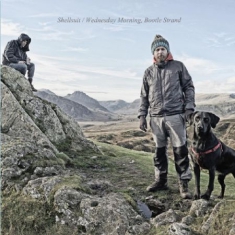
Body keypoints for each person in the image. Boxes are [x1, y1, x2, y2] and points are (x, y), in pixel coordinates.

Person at [138, 35, 195, 199]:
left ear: (167, 50)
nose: (160, 52)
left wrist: (189, 108)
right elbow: (144, 96)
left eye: (163, 49)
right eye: (157, 50)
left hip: (176, 116)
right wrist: (142, 115)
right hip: (155, 118)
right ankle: (160, 181)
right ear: (153, 53)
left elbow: (188, 87)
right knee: (159, 152)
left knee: (180, 151)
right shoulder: (148, 72)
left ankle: (183, 184)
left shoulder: (178, 67)